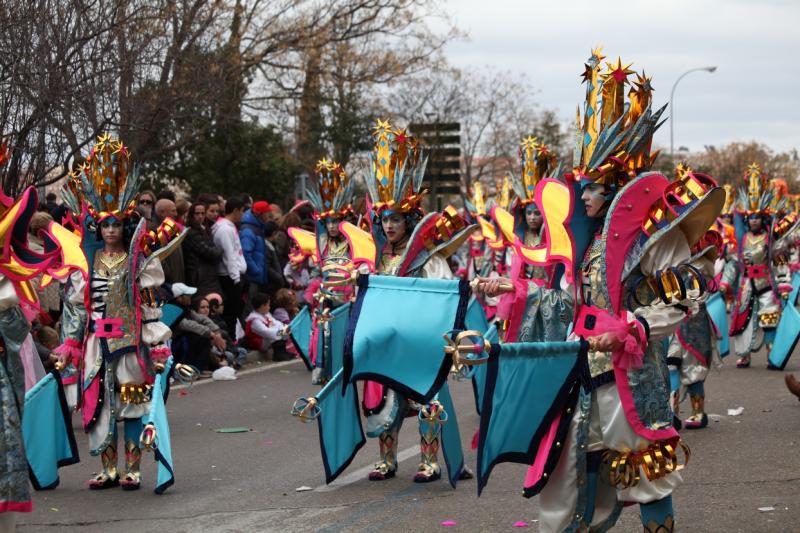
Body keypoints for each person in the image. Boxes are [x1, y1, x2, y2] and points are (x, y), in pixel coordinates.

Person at [478, 51, 724, 532]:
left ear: (615, 189)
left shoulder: (656, 239)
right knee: (578, 476)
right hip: (584, 375)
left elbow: (680, 298)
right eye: (582, 187)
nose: (583, 196)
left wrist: (632, 328)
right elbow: (576, 306)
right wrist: (520, 290)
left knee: (647, 477)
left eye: (592, 188)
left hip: (634, 376)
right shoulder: (587, 246)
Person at [52, 134, 184, 491]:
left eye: (115, 224)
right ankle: (108, 469)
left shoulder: (139, 262)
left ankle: (133, 469)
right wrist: (70, 347)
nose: (110, 230)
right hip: (97, 343)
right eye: (105, 224)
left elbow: (151, 305)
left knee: (135, 407)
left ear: (124, 226)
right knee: (99, 408)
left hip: (129, 342)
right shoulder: (87, 260)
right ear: (98, 226)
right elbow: (78, 308)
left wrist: (157, 349)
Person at [727, 163, 794, 368]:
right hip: (747, 285)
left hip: (766, 284)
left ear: (763, 218)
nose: (754, 221)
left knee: (769, 319)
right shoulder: (743, 237)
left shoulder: (770, 239)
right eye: (751, 217)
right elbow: (734, 263)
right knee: (743, 320)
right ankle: (744, 354)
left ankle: (772, 353)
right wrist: (726, 283)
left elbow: (780, 262)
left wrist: (783, 286)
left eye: (757, 217)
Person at [171, 283, 226, 375]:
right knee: (200, 336)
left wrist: (216, 332)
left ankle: (202, 367)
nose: (190, 297)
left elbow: (202, 319)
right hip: (175, 343)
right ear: (179, 298)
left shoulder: (186, 309)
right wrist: (211, 334)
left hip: (186, 341)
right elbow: (188, 325)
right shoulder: (173, 310)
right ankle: (193, 369)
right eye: (187, 295)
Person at [213, 196, 247, 337]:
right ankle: (231, 339)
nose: (243, 215)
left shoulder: (229, 227)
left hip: (235, 275)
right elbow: (229, 255)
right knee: (231, 312)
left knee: (236, 310)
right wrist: (236, 278)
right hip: (230, 277)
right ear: (235, 210)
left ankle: (234, 338)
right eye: (242, 211)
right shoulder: (224, 229)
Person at [182, 203, 223, 298]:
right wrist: (220, 250)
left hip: (207, 275)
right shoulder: (191, 232)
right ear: (192, 215)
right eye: (197, 213)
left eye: (202, 213)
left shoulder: (204, 229)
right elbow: (211, 253)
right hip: (199, 277)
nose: (200, 216)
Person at [239, 200, 272, 294]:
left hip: (255, 277)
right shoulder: (249, 231)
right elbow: (246, 254)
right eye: (267, 213)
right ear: (260, 214)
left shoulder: (257, 228)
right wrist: (256, 271)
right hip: (252, 278)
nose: (269, 216)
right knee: (251, 305)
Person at [155, 198, 185, 284]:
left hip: (178, 286)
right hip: (168, 289)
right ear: (162, 212)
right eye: (173, 211)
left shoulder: (174, 230)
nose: (176, 214)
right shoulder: (154, 234)